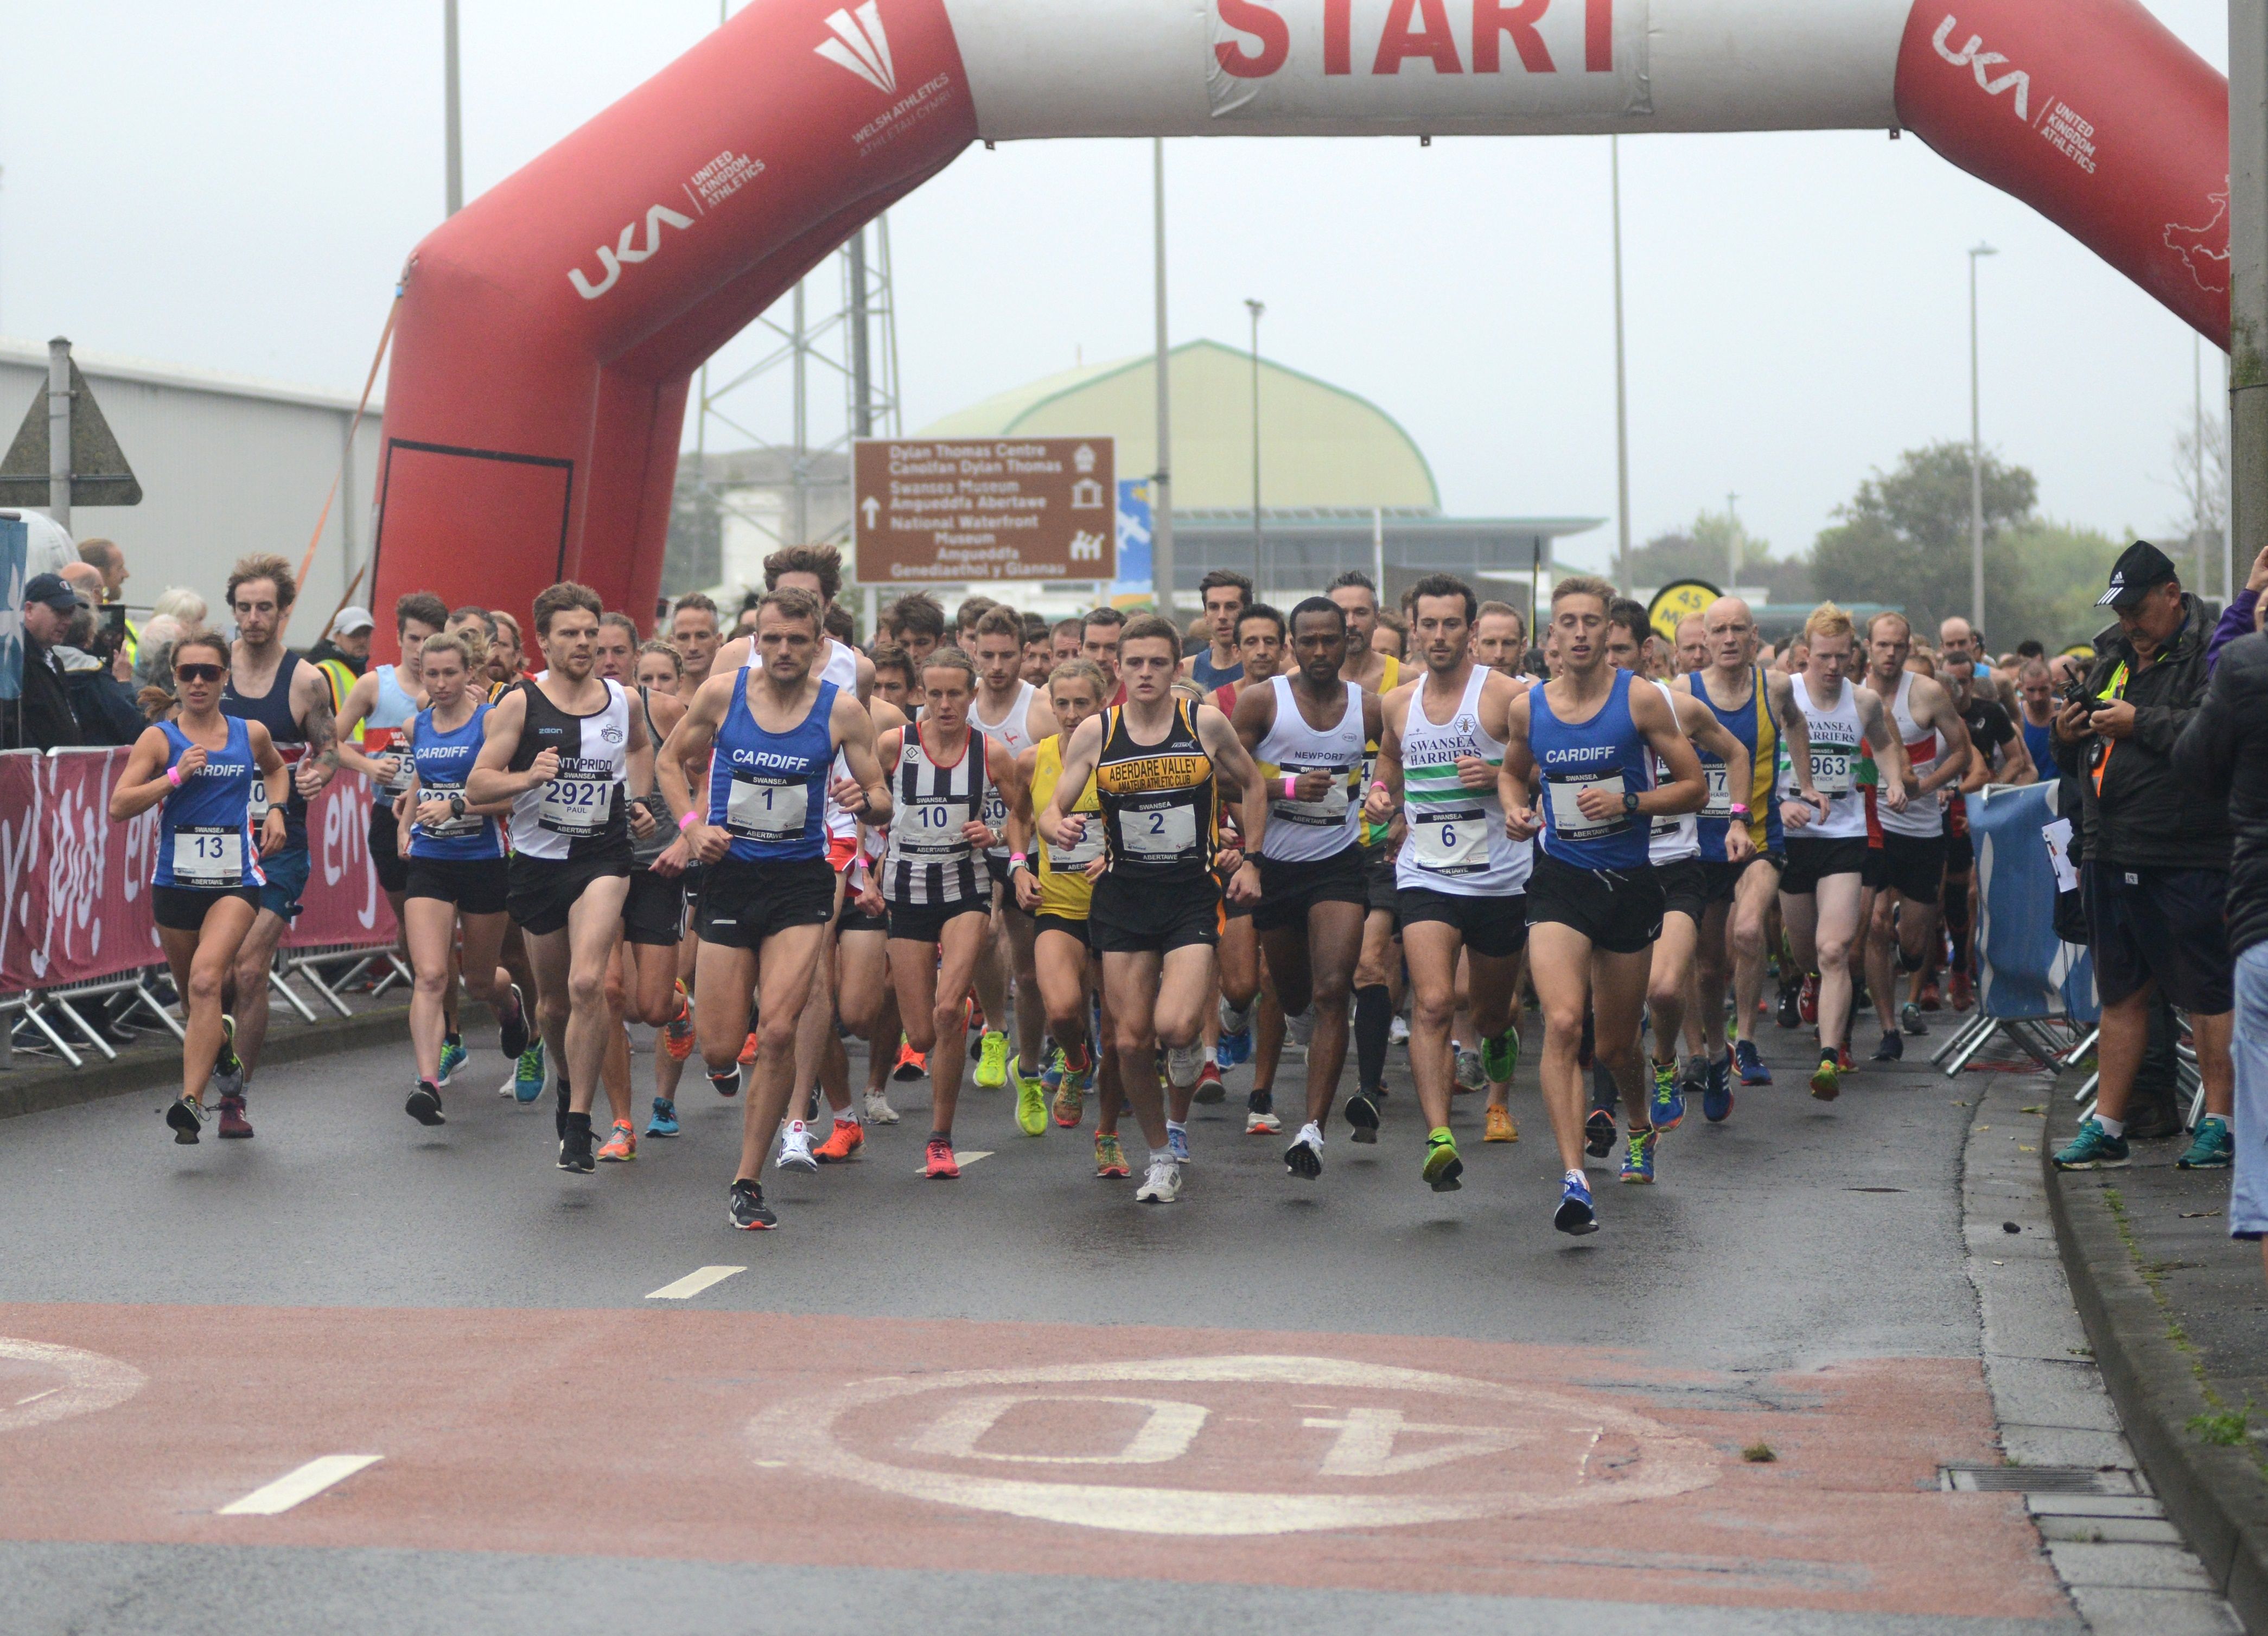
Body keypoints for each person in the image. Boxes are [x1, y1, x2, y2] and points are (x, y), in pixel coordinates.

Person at [657, 587, 891, 1229]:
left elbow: (881, 796)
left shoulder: (841, 712)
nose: (783, 650)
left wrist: (863, 798)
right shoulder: (721, 695)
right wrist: (689, 826)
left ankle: (746, 1181)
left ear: (819, 646)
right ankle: (716, 1055)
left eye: (797, 640)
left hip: (801, 885)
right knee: (720, 1047)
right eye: (772, 638)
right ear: (757, 640)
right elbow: (668, 760)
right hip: (730, 879)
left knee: (781, 1029)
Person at [1497, 578, 1705, 1231]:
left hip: (1629, 884)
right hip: (1561, 879)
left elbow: (1695, 785)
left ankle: (1638, 1122)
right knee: (1562, 1023)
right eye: (1568, 622)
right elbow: (1512, 769)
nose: (1581, 632)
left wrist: (1630, 803)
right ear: (1551, 636)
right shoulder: (1530, 708)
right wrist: (1512, 807)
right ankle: (1574, 1178)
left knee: (1617, 1047)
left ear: (1605, 630)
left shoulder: (1640, 700)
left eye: (1592, 621)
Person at [1041, 614, 1265, 1204]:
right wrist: (1054, 826)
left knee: (1172, 1027)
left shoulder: (1203, 722)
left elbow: (1255, 784)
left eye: (1157, 663)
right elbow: (1054, 802)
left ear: (1174, 667)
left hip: (1189, 892)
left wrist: (1253, 860)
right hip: (1123, 896)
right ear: (1117, 667)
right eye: (1134, 662)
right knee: (1131, 1042)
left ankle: (1190, 1045)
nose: (1145, 673)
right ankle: (1160, 1154)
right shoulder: (1097, 732)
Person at [2053, 542, 2237, 1173]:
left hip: (2187, 848)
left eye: (2139, 607)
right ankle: (2107, 1125)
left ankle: (2220, 1123)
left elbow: (2219, 733)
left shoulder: (2214, 648)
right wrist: (2066, 733)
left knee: (2208, 991)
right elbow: (2074, 754)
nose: (2130, 622)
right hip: (2112, 845)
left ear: (2171, 594)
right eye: (2121, 609)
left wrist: (2142, 724)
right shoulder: (2110, 654)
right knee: (2122, 992)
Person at [466, 582, 659, 1173]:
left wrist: (638, 801)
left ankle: (579, 1120)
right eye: (569, 634)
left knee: (588, 985)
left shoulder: (622, 701)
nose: (583, 643)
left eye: (589, 632)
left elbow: (642, 748)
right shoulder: (521, 705)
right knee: (552, 1006)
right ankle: (564, 1079)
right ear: (543, 642)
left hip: (601, 858)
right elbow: (477, 787)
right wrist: (526, 778)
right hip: (537, 864)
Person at [1364, 576, 1530, 1193]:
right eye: (1427, 624)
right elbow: (1388, 761)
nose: (1438, 636)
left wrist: (1498, 778)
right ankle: (1438, 1136)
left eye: (1450, 625)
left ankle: (1498, 1037)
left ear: (1469, 631)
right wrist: (1383, 796)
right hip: (1425, 873)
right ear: (1413, 629)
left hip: (1498, 880)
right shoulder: (1397, 703)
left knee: (1487, 1012)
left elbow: (1543, 768)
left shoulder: (1507, 697)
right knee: (1432, 1003)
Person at [107, 633, 289, 1142]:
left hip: (235, 881)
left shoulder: (248, 732)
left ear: (225, 677)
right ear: (174, 678)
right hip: (176, 883)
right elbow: (119, 806)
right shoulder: (160, 739)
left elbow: (277, 770)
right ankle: (226, 1058)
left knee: (210, 981)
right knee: (195, 1000)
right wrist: (173, 777)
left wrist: (276, 809)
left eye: (209, 671)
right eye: (188, 672)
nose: (198, 681)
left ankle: (193, 1101)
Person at [1232, 597, 1381, 1180]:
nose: (1320, 651)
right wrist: (1287, 790)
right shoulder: (1263, 700)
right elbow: (1221, 776)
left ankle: (1311, 1130)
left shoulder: (1367, 709)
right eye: (1309, 641)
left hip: (1337, 867)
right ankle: (1298, 1021)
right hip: (1273, 867)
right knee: (1292, 996)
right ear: (1292, 645)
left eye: (1330, 640)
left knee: (1332, 991)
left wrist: (1387, 800)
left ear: (1347, 642)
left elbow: (1389, 766)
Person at [1601, 601, 1753, 1143]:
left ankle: (1665, 1061)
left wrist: (1737, 821)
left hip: (1674, 870)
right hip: (1609, 872)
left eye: (1621, 648)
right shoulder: (1576, 713)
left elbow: (1736, 754)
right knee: (1604, 1022)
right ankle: (1617, 1105)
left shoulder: (1677, 706)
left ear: (1645, 651)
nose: (1609, 656)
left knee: (1666, 991)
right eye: (1605, 645)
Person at [872, 647, 1021, 1180]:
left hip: (966, 888)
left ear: (972, 694)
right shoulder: (895, 745)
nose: (944, 703)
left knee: (946, 1011)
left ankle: (940, 1138)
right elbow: (868, 798)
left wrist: (999, 835)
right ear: (919, 695)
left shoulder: (990, 753)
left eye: (955, 693)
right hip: (906, 890)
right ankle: (933, 1067)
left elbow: (1021, 814)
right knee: (921, 1034)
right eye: (933, 693)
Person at [218, 555, 340, 1140]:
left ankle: (235, 1098)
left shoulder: (308, 679)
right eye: (244, 607)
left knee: (248, 969)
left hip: (279, 843)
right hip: (213, 844)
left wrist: (320, 774)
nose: (254, 617)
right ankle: (213, 1058)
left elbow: (330, 749)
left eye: (265, 607)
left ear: (284, 611)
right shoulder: (210, 671)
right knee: (210, 976)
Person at [393, 631, 531, 1126]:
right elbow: (419, 781)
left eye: (451, 672)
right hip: (432, 858)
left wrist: (459, 805)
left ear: (469, 672)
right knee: (430, 974)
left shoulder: (490, 722)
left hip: (483, 860)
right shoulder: (416, 725)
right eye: (432, 674)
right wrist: (406, 825)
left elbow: (515, 795)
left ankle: (509, 1005)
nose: (442, 682)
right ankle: (428, 1083)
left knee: (478, 979)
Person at [1775, 603, 1910, 1100]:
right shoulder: (1784, 692)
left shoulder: (1866, 701)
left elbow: (1886, 745)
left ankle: (1830, 1055)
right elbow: (1758, 753)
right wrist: (1778, 805)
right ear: (1806, 655)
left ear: (1854, 654)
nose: (1833, 667)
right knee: (1808, 949)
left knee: (1836, 950)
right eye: (1823, 657)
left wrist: (1894, 780)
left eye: (1841, 657)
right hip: (1794, 836)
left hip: (1844, 836)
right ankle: (1809, 978)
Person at [1010, 659, 1128, 1171]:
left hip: (1119, 906)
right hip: (1058, 904)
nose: (1072, 713)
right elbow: (1018, 816)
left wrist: (1118, 856)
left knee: (1120, 1031)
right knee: (1062, 1012)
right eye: (1063, 703)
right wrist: (1019, 868)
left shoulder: (1126, 756)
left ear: (1103, 704)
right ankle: (1076, 1062)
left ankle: (1107, 1134)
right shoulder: (1033, 759)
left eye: (1083, 703)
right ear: (1050, 705)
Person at [1675, 597, 1794, 1103]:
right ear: (1704, 639)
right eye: (1718, 630)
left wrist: (1804, 783)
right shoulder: (1684, 692)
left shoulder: (1777, 686)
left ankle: (1745, 1039)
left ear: (1754, 636)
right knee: (1706, 967)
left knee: (1747, 930)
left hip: (1759, 836)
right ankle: (1706, 1054)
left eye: (1737, 629)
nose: (1728, 638)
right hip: (1699, 845)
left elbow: (1798, 727)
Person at [2174, 621, 2268, 1221]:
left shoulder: (2242, 663)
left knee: (2261, 1160)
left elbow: (2194, 765)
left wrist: (2241, 621)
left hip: (2262, 920)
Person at [334, 593, 450, 1047]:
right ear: (399, 638)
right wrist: (368, 766)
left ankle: (445, 1014)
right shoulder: (375, 686)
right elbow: (330, 743)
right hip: (389, 816)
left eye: (430, 640)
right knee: (409, 920)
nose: (421, 650)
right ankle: (431, 995)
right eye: (413, 639)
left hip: (444, 820)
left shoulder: (452, 688)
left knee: (439, 921)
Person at [1857, 613, 1973, 1061]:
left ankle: (1910, 956)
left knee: (1914, 946)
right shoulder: (1851, 696)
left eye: (1898, 646)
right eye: (1882, 645)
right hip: (1872, 825)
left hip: (1922, 828)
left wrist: (1924, 786)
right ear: (1867, 646)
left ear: (1909, 648)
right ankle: (1888, 1027)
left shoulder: (1925, 693)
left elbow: (1962, 751)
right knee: (1875, 923)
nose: (1889, 653)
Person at [966, 605, 1057, 1127]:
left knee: (1028, 967)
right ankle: (994, 1030)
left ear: (1025, 654)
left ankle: (1029, 1069)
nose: (997, 666)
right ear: (974, 650)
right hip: (974, 846)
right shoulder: (961, 705)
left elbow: (1049, 793)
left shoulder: (1040, 710)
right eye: (988, 655)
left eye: (1008, 655)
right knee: (980, 937)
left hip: (1027, 846)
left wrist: (1009, 833)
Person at [1329, 572, 1411, 1125]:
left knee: (1368, 965)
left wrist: (1404, 810)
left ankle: (1366, 1086)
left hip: (1383, 845)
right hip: (1322, 848)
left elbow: (1425, 756)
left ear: (1376, 617)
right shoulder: (1303, 684)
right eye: (1343, 614)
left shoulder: (1405, 683)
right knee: (1324, 976)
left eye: (1362, 613)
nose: (1352, 624)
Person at [1182, 569, 1253, 691]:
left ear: (1248, 612)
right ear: (1205, 615)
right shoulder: (1187, 670)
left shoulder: (1267, 668)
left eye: (1231, 607)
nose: (1222, 616)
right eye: (1214, 607)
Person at [2016, 657, 2059, 784]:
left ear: (2053, 685)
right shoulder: (2014, 719)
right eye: (2031, 690)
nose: (2038, 697)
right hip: (2029, 794)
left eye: (2043, 689)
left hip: (2063, 794)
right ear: (2020, 687)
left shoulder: (2066, 713)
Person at [670, 593, 723, 692]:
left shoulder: (734, 699)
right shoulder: (661, 703)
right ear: (673, 643)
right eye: (683, 638)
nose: (693, 647)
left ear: (718, 640)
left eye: (702, 636)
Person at [309, 607, 374, 676]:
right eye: (354, 635)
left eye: (366, 634)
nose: (362, 641)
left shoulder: (362, 668)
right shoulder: (322, 671)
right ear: (336, 637)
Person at [1081, 606, 1127, 703]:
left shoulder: (1137, 700)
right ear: (1079, 648)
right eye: (1093, 648)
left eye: (1111, 648)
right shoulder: (1064, 696)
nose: (1101, 658)